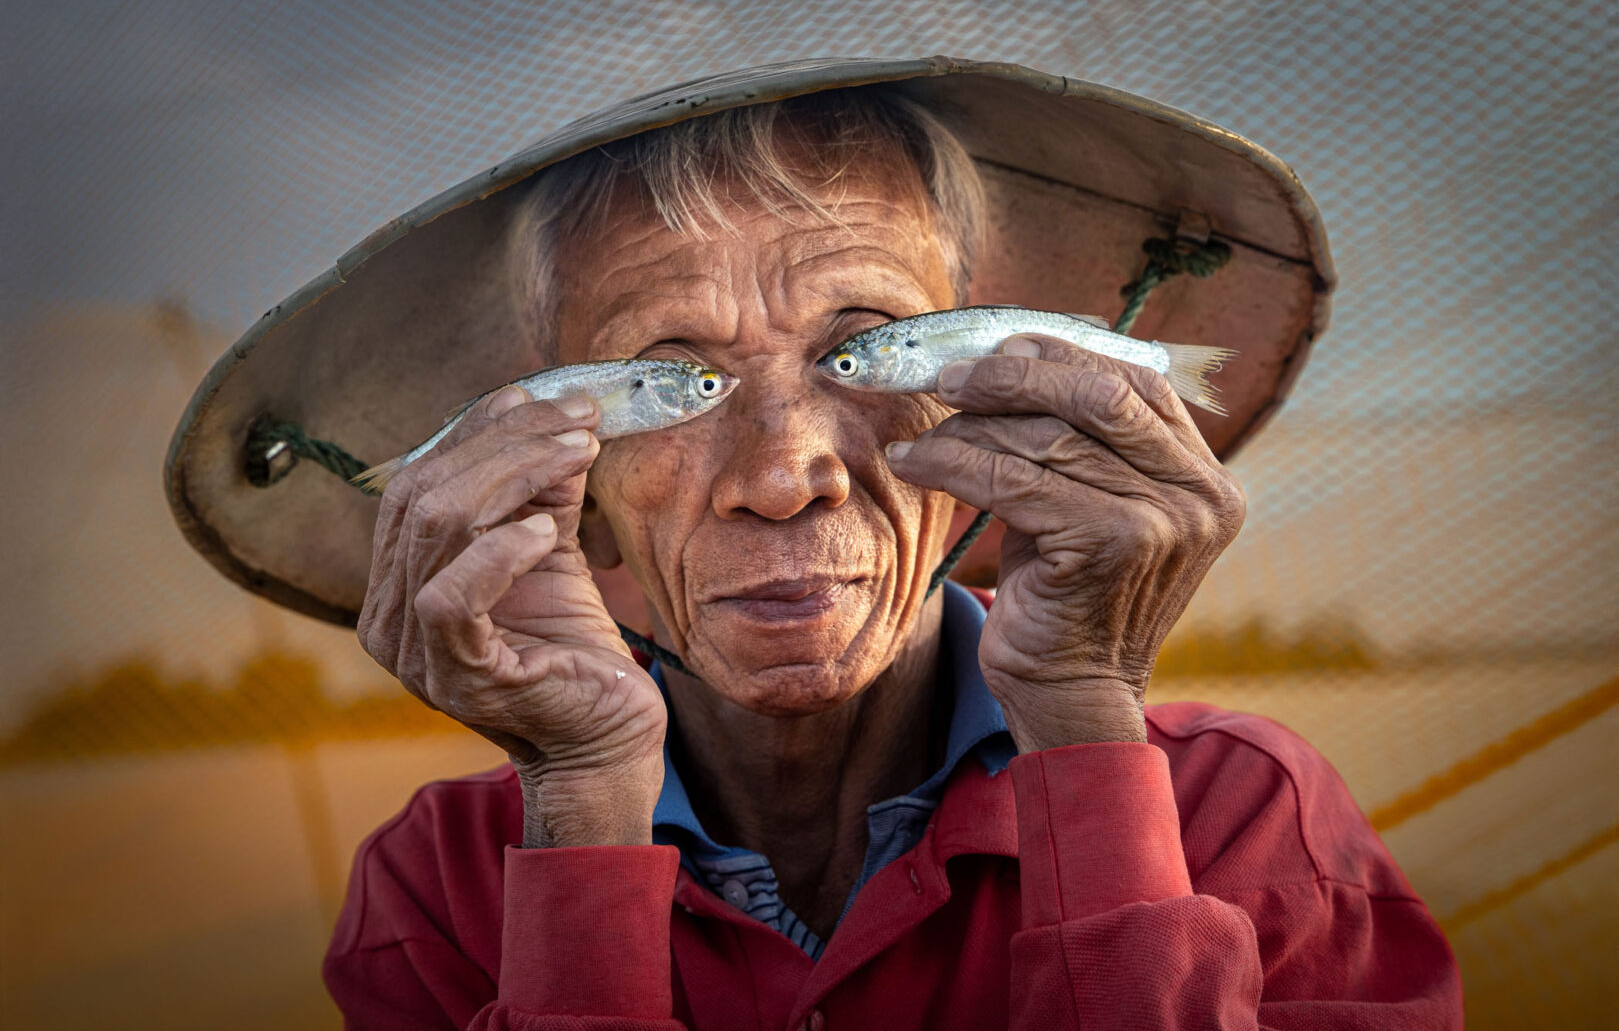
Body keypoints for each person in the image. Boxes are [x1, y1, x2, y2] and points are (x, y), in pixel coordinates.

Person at [162, 58, 1461, 1028]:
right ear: (574, 470)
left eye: (863, 346)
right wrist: (585, 801)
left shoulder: (1241, 818)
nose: (783, 475)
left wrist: (1080, 719)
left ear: (991, 391)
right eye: (667, 380)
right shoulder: (438, 894)